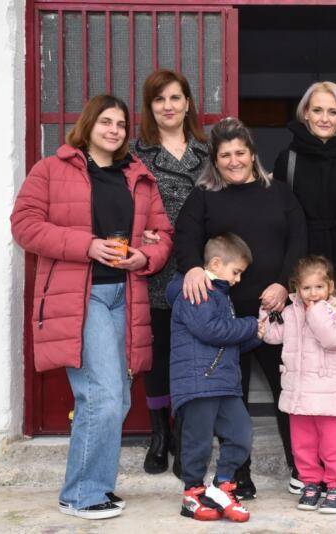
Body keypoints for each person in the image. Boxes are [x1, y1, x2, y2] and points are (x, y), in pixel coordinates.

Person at [10, 94, 173, 519]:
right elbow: (24, 226)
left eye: (120, 124)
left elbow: (163, 234)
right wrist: (88, 245)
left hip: (126, 294)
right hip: (82, 297)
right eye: (106, 122)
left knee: (114, 398)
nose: (114, 130)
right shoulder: (51, 169)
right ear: (89, 124)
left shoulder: (138, 176)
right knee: (102, 395)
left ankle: (91, 486)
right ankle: (83, 494)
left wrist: (144, 256)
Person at [174, 117, 307, 500]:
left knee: (289, 392)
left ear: (252, 154)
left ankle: (301, 468)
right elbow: (185, 239)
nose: (233, 161)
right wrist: (193, 268)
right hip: (224, 319)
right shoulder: (203, 197)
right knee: (231, 398)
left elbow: (299, 241)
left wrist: (284, 284)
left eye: (240, 153)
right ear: (215, 161)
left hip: (273, 313)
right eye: (225, 155)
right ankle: (237, 476)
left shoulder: (279, 193)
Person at [272, 81, 336, 492]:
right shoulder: (287, 158)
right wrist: (289, 279)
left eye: (332, 111)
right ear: (305, 113)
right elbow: (281, 221)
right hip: (303, 267)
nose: (324, 118)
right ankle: (303, 467)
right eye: (317, 110)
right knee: (300, 360)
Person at [131, 69, 210, 475]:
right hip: (156, 266)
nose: (168, 106)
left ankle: (187, 436)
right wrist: (135, 231)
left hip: (200, 266)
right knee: (158, 353)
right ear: (150, 106)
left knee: (194, 353)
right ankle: (161, 435)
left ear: (188, 103)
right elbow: (118, 203)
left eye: (175, 98)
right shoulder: (134, 153)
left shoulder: (208, 152)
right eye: (159, 99)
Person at [167, 233, 261, 523]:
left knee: (241, 432)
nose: (238, 279)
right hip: (198, 382)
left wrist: (256, 335)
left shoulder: (221, 294)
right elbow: (211, 331)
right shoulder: (198, 291)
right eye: (236, 272)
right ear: (217, 264)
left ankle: (223, 485)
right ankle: (193, 492)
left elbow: (225, 342)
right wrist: (250, 324)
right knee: (198, 441)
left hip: (222, 382)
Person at [258, 255, 336, 514]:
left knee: (333, 445)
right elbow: (272, 336)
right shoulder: (291, 312)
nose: (313, 293)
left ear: (330, 286)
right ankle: (310, 483)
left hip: (328, 394)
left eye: (319, 287)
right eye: (306, 288)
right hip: (298, 394)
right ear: (296, 288)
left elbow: (334, 340)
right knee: (302, 445)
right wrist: (267, 312)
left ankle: (335, 487)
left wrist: (315, 313)